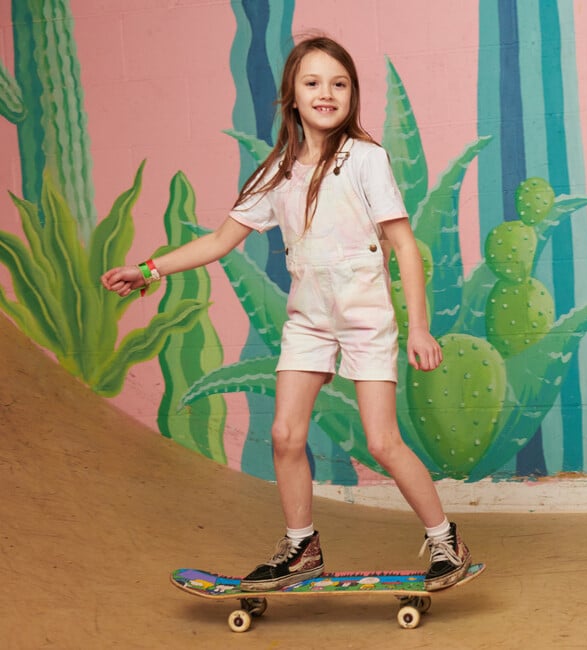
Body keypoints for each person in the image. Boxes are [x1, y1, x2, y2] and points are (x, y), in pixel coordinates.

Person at [101, 35, 471, 592]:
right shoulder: (277, 171)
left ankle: (446, 541)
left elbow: (405, 245)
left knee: (381, 442)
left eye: (339, 83)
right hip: (309, 318)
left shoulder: (366, 159)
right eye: (313, 82)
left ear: (353, 95)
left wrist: (417, 326)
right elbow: (221, 240)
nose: (327, 93)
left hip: (366, 314)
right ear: (292, 97)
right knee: (284, 434)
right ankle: (301, 548)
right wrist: (150, 269)